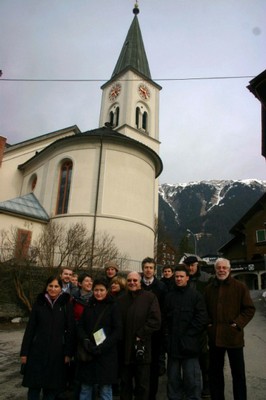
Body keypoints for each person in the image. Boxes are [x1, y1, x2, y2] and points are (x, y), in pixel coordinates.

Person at [204, 258, 255, 400]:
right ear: (215, 270)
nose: (221, 270)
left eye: (224, 268)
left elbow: (249, 309)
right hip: (215, 338)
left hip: (234, 338)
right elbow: (204, 310)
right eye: (218, 268)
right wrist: (209, 325)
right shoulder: (209, 289)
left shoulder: (240, 287)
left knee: (238, 374)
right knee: (215, 374)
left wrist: (238, 323)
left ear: (229, 269)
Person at [20, 275, 75, 400]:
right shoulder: (39, 303)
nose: (53, 289)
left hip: (57, 353)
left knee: (51, 390)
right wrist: (24, 353)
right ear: (46, 287)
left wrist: (68, 353)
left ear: (61, 289)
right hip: (37, 352)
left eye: (56, 286)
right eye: (51, 286)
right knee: (33, 388)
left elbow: (71, 331)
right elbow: (30, 329)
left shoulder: (66, 304)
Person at [163, 265, 208, 400]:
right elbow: (164, 319)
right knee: (173, 380)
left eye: (181, 276)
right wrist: (167, 337)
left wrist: (188, 336)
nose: (178, 279)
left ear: (187, 278)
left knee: (192, 380)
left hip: (190, 346)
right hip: (173, 346)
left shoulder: (195, 296)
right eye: (176, 276)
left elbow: (201, 318)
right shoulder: (169, 296)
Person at [117, 271, 161, 400]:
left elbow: (155, 321)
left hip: (142, 348)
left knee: (142, 386)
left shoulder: (150, 298)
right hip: (124, 349)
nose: (132, 283)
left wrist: (140, 334)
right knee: (125, 385)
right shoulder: (121, 300)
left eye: (135, 280)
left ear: (140, 281)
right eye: (129, 280)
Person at [77, 278, 122, 400]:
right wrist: (85, 341)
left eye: (101, 290)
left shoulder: (113, 306)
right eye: (96, 290)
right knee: (86, 387)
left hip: (106, 354)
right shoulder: (89, 305)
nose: (98, 293)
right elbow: (80, 327)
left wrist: (103, 346)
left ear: (107, 291)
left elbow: (117, 331)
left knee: (105, 389)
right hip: (89, 353)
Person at [183, 256, 212, 398]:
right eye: (188, 266)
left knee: (204, 357)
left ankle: (206, 385)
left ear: (197, 265)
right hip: (187, 324)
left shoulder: (206, 279)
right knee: (188, 357)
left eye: (192, 265)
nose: (190, 268)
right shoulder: (183, 280)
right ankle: (190, 386)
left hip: (203, 324)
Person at [141, 257, 167, 398]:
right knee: (140, 365)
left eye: (151, 267)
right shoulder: (137, 284)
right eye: (146, 267)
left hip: (156, 332)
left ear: (154, 269)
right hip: (140, 331)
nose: (148, 270)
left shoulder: (161, 287)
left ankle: (152, 395)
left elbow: (164, 309)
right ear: (142, 269)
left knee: (154, 365)